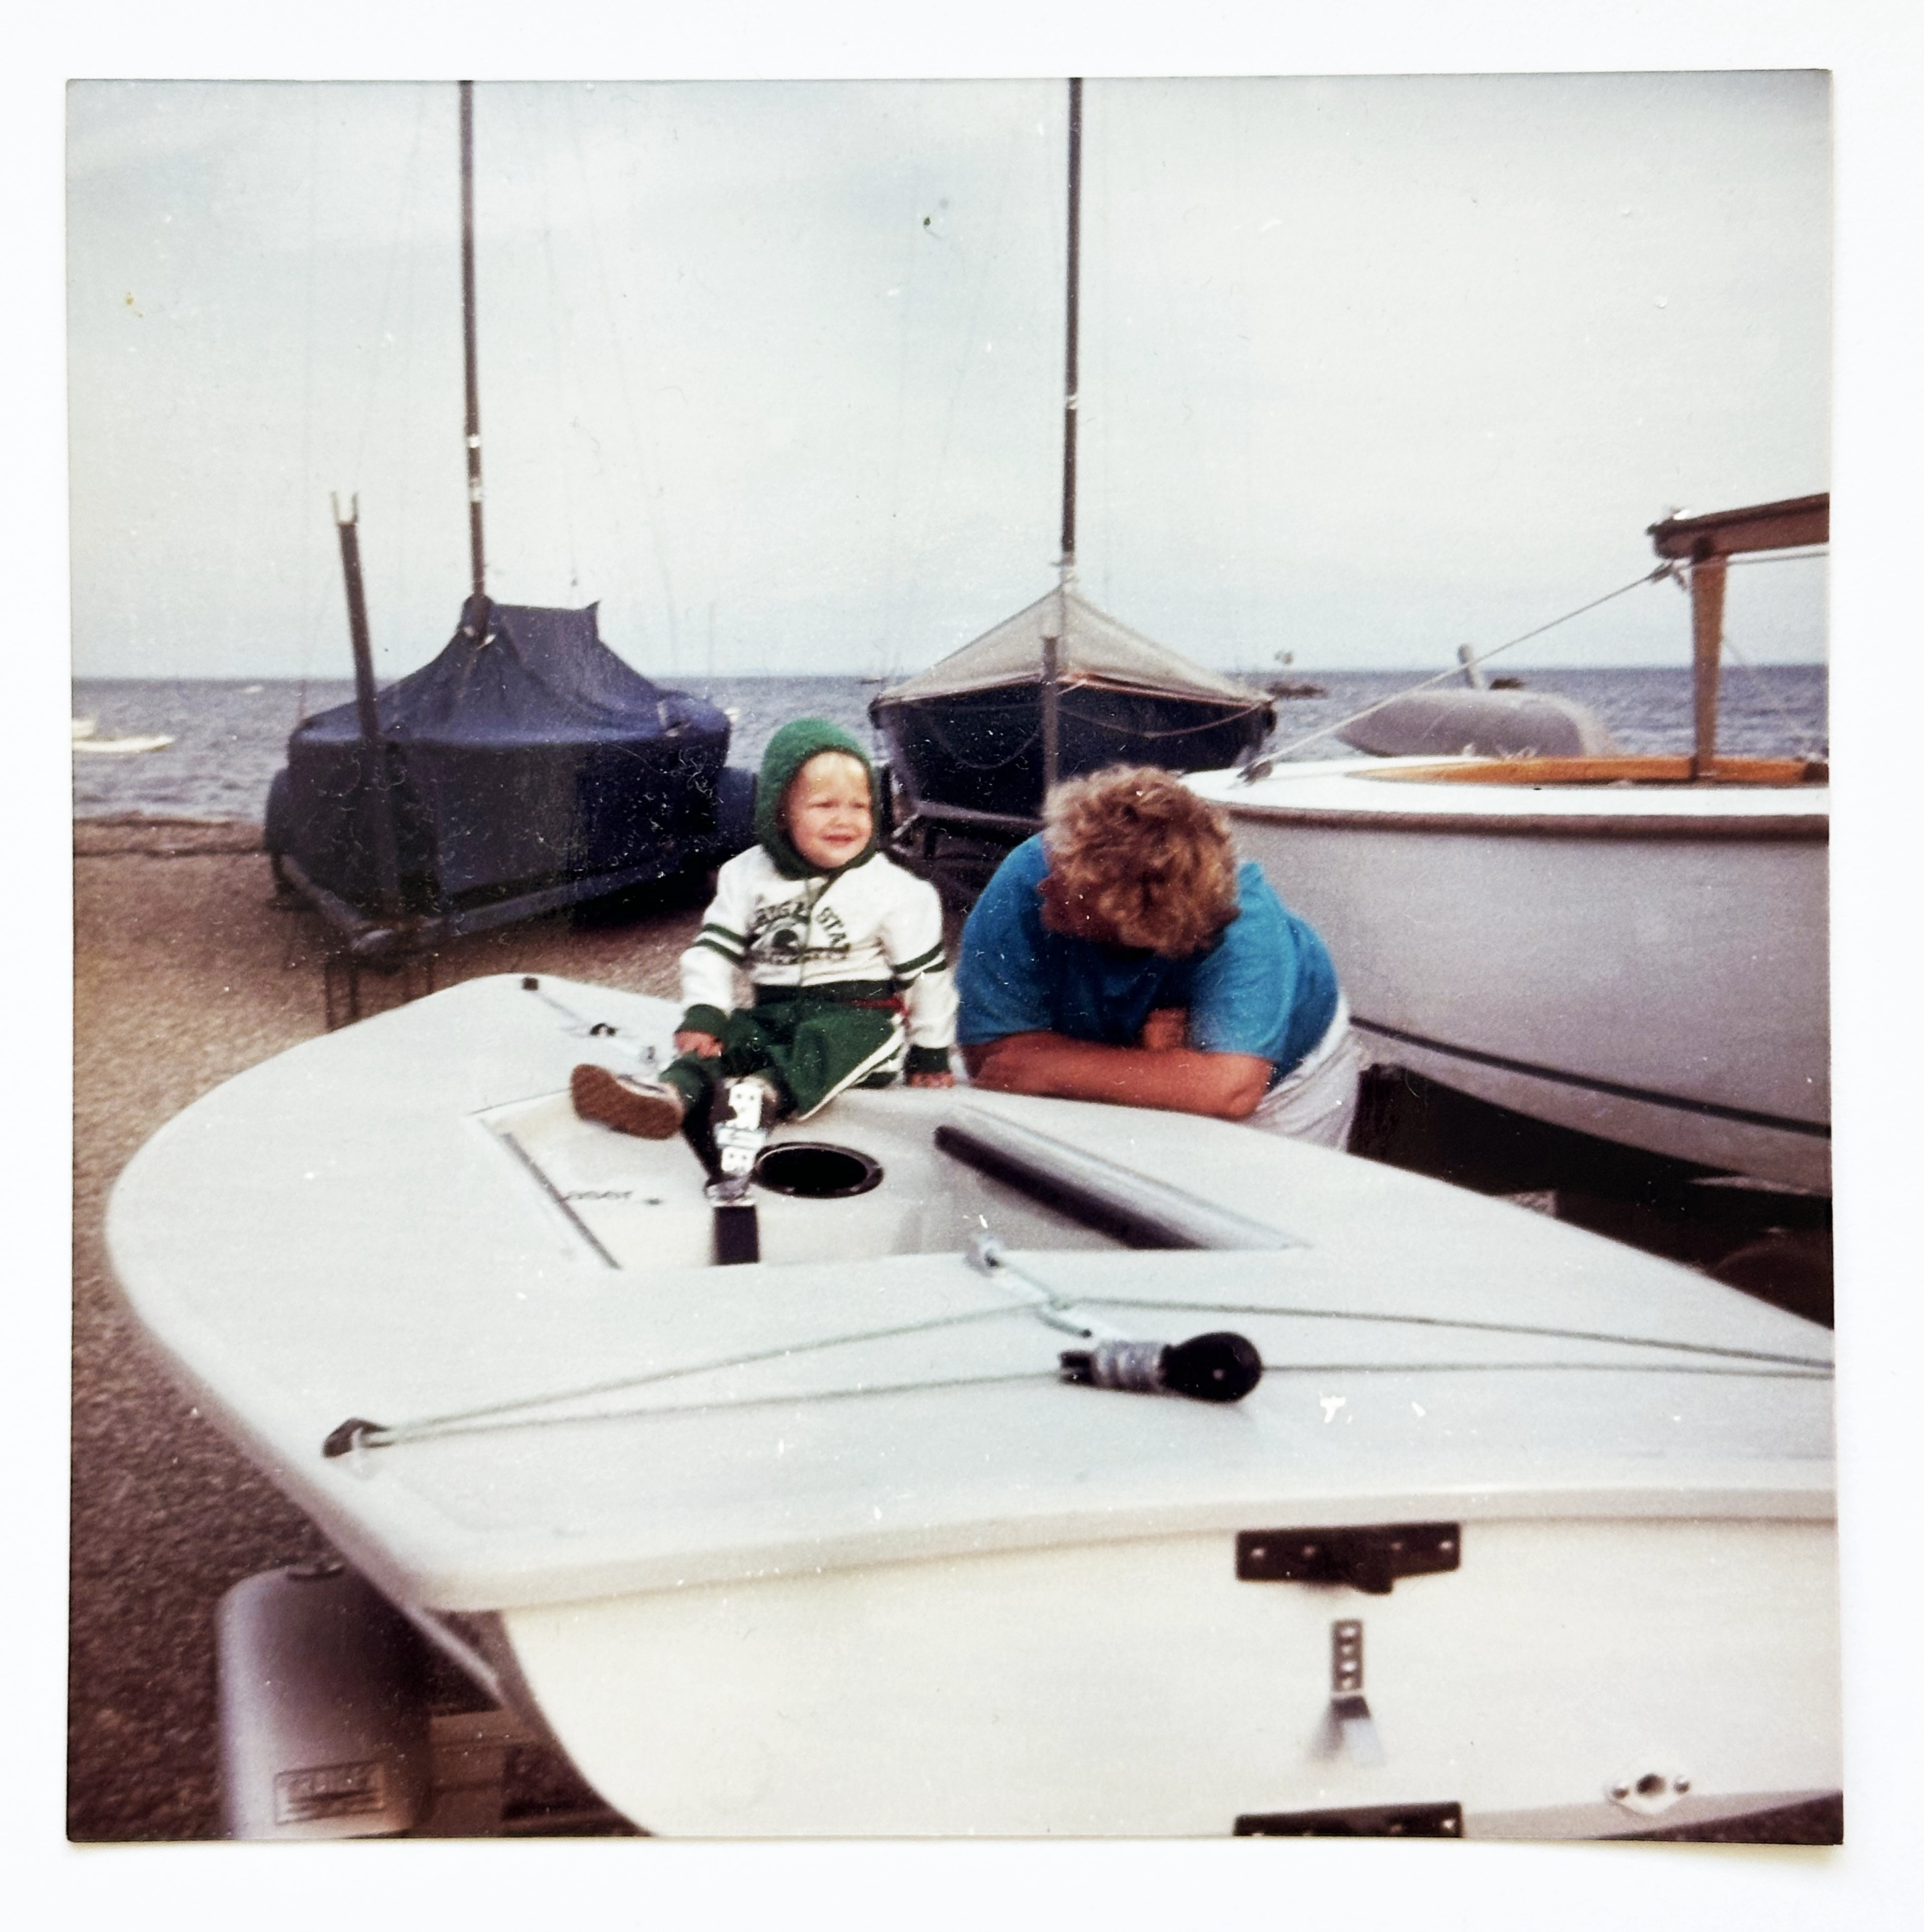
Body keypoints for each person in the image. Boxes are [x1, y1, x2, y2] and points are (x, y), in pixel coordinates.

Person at [572, 718, 956, 1142]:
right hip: (772, 1014)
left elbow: (926, 979)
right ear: (779, 812)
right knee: (729, 1037)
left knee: (830, 1039)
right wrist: (706, 1013)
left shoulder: (895, 889)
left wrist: (930, 1050)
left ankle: (762, 1095)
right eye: (825, 805)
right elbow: (712, 952)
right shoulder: (747, 874)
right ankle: (668, 1096)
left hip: (858, 1020)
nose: (844, 820)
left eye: (859, 806)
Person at [955, 765, 1364, 1147]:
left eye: (1072, 888)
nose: (1045, 885)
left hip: (1288, 1084)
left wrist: (1051, 1065)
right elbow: (994, 1061)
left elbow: (1232, 1088)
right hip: (1127, 1057)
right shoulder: (1033, 870)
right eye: (1057, 863)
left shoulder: (1243, 922)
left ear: (1130, 919)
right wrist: (1161, 1068)